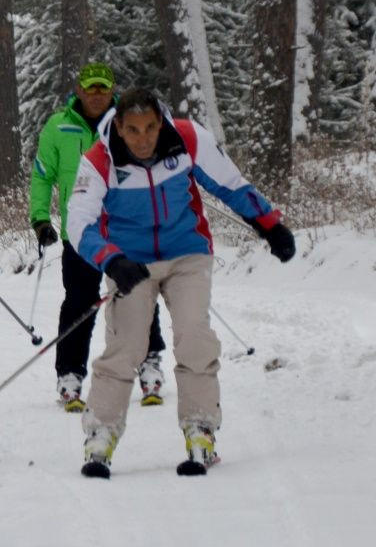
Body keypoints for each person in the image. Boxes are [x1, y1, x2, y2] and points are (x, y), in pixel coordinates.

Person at [66, 87, 296, 477]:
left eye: (151, 128)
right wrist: (111, 259)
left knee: (194, 334)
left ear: (161, 123)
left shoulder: (187, 138)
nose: (143, 139)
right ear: (118, 127)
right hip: (131, 262)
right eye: (133, 130)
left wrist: (270, 224)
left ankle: (200, 428)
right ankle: (100, 436)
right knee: (126, 345)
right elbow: (78, 222)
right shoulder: (99, 159)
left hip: (187, 252)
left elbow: (230, 184)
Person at [30, 62, 166, 412]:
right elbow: (43, 175)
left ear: (111, 90)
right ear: (78, 89)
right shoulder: (57, 126)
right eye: (89, 88)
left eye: (102, 88)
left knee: (138, 294)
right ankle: (70, 374)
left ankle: (150, 361)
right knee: (80, 301)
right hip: (81, 232)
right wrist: (40, 218)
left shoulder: (125, 124)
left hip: (126, 229)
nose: (95, 95)